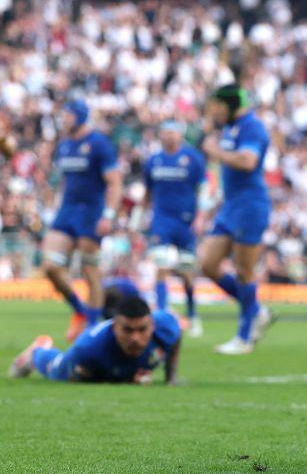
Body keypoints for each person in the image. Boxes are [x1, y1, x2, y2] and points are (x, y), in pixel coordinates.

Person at [198, 84, 274, 355]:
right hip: (230, 206)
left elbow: (248, 162)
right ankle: (256, 310)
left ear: (230, 105)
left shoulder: (251, 126)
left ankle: (244, 337)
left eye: (217, 107)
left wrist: (215, 152)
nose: (214, 113)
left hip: (250, 205)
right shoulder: (230, 128)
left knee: (244, 271)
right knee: (207, 263)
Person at [41, 100, 122, 342]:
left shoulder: (99, 144)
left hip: (92, 212)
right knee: (50, 267)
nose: (63, 120)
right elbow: (63, 180)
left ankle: (94, 327)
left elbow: (115, 182)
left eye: (67, 116)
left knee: (90, 271)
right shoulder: (64, 145)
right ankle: (81, 311)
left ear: (79, 117)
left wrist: (108, 215)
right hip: (67, 211)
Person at [9, 296, 181, 385]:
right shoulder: (88, 350)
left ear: (152, 325)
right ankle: (38, 350)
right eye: (127, 330)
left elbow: (177, 337)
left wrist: (170, 375)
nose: (135, 337)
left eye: (142, 329)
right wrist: (127, 379)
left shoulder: (166, 325)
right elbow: (87, 378)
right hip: (82, 365)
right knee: (57, 370)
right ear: (115, 327)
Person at [137, 120, 206, 337]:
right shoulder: (153, 161)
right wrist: (138, 217)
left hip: (186, 221)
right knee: (162, 266)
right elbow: (147, 193)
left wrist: (201, 216)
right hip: (161, 220)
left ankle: (193, 314)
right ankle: (161, 316)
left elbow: (203, 188)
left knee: (186, 272)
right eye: (165, 132)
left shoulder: (193, 159)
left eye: (172, 132)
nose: (168, 136)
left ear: (180, 135)